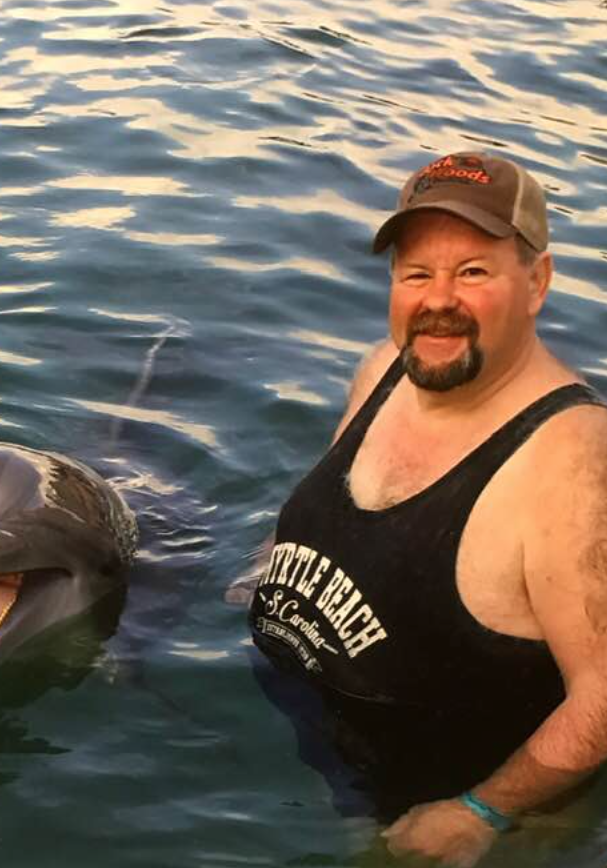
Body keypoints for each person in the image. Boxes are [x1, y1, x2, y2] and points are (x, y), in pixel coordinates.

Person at [246, 152, 607, 867]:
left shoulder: (572, 462)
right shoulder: (384, 369)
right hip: (292, 734)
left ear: (536, 282)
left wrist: (482, 812)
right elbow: (326, 515)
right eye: (417, 273)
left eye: (472, 272)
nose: (438, 299)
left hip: (419, 818)